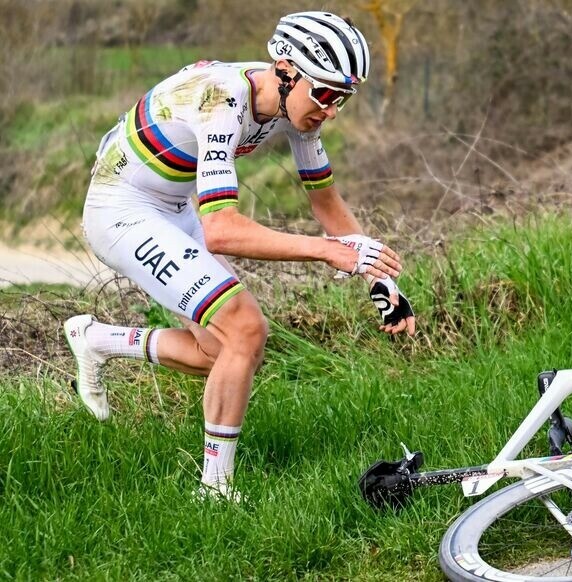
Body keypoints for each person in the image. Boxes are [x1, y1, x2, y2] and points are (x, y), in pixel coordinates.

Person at [63, 11, 415, 500]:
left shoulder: (295, 109)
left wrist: (382, 281)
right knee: (246, 328)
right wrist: (329, 253)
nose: (332, 111)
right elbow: (223, 230)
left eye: (343, 99)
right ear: (288, 71)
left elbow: (325, 202)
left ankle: (97, 339)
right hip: (121, 207)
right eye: (328, 95)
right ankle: (215, 491)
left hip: (169, 203)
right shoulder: (222, 100)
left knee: (222, 351)